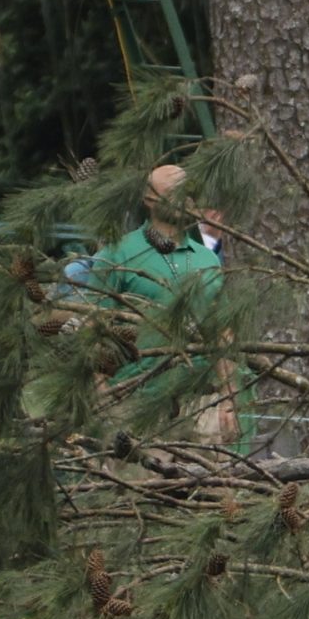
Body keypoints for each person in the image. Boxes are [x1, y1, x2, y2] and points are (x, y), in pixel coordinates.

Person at [90, 164, 239, 444]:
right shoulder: (118, 252)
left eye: (187, 192)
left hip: (201, 403)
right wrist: (101, 393)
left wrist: (229, 399)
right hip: (135, 400)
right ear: (149, 199)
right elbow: (94, 327)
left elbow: (221, 332)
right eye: (173, 192)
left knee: (213, 487)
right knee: (140, 486)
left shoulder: (207, 259)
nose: (183, 199)